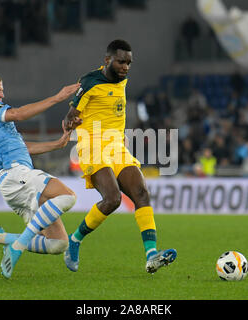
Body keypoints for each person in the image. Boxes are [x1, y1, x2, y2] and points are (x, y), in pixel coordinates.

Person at [63, 39, 177, 274]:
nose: (125, 67)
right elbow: (69, 117)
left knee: (142, 193)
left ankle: (151, 255)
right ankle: (74, 240)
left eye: (129, 63)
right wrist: (71, 122)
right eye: (121, 61)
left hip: (117, 147)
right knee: (113, 199)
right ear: (107, 60)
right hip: (93, 147)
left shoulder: (122, 81)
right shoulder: (90, 82)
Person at [0, 72, 80, 279]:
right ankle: (18, 246)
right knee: (69, 196)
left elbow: (22, 147)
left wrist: (57, 144)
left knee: (59, 244)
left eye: (2, 90)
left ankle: (0, 237)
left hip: (13, 182)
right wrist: (58, 97)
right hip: (16, 174)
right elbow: (18, 114)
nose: (2, 94)